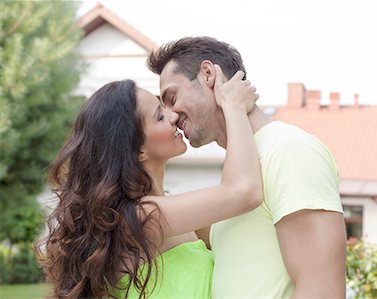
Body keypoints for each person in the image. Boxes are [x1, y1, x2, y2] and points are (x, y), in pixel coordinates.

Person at [148, 36, 347, 299]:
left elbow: (321, 291)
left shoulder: (288, 150)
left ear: (208, 74)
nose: (171, 115)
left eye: (172, 97)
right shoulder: (238, 173)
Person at [35, 68, 261, 298]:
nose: (173, 116)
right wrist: (234, 107)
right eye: (160, 116)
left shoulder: (177, 215)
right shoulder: (134, 219)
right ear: (138, 149)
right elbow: (244, 192)